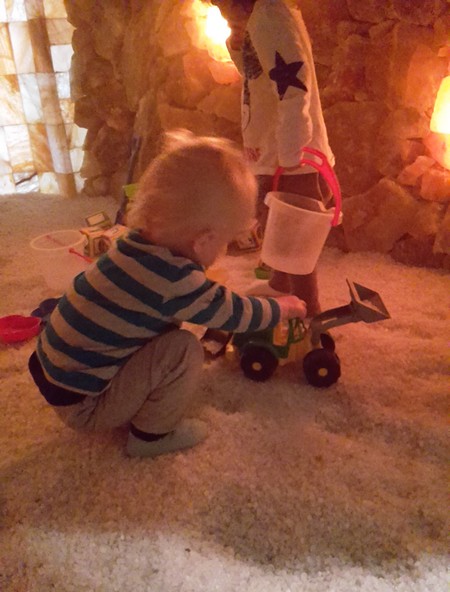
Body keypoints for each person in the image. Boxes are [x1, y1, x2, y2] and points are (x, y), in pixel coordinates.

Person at [28, 130, 307, 458]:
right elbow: (233, 313)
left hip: (57, 376)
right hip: (86, 405)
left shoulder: (131, 245)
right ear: (204, 241)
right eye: (225, 242)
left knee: (157, 329)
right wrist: (282, 308)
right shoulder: (174, 278)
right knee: (182, 348)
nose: (223, 251)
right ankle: (151, 436)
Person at [210, 0, 335, 316]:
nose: (213, 4)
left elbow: (294, 86)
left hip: (291, 156)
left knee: (296, 239)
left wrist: (292, 153)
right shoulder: (261, 18)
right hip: (274, 149)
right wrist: (237, 43)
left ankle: (308, 311)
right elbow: (257, 75)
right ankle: (281, 285)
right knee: (279, 229)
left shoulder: (270, 17)